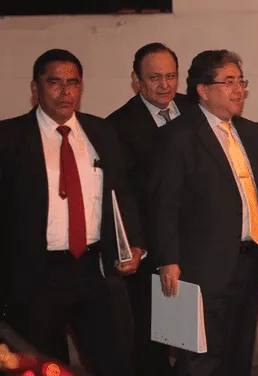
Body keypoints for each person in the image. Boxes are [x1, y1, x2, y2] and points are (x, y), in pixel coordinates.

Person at [149, 49, 258, 376]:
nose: (238, 90)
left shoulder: (252, 132)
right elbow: (165, 203)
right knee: (199, 360)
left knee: (239, 357)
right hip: (198, 269)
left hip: (250, 263)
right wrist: (168, 259)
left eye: (240, 81)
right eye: (228, 82)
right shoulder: (178, 136)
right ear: (203, 91)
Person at [0, 49, 145, 376]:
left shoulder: (102, 133)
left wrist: (132, 243)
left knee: (117, 361)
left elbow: (121, 194)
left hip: (95, 270)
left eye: (73, 83)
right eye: (55, 83)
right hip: (36, 277)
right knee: (44, 367)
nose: (65, 92)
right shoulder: (9, 139)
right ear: (36, 89)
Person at [106, 42, 192, 376]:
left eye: (171, 76)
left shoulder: (196, 109)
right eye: (155, 77)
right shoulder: (117, 126)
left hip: (195, 246)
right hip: (149, 251)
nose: (165, 85)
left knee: (194, 340)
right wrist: (135, 245)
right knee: (151, 342)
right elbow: (120, 193)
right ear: (136, 80)